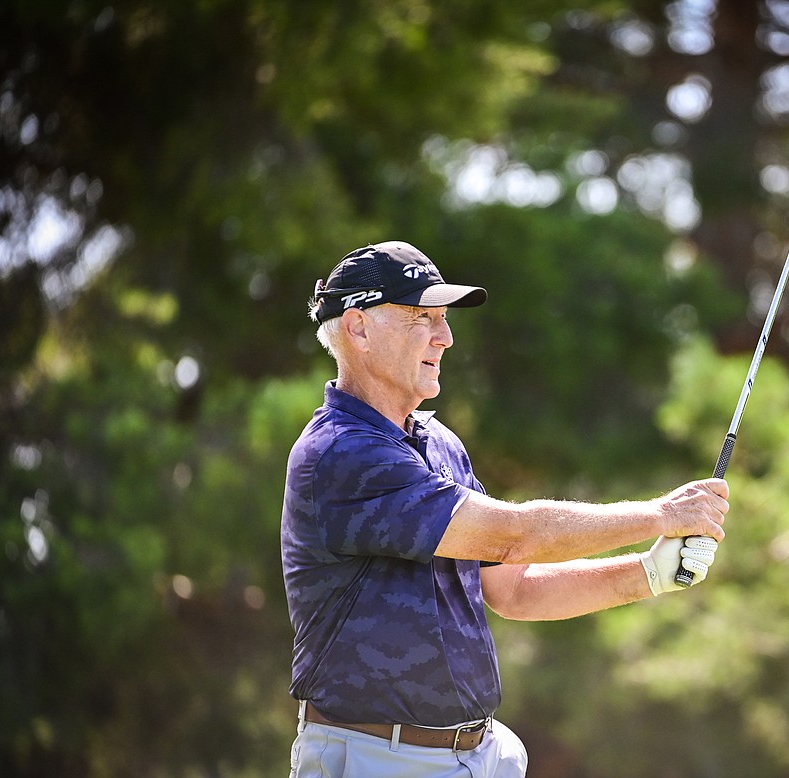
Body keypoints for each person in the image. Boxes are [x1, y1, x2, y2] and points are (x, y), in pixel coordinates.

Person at [281, 241, 730, 777]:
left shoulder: (438, 443)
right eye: (421, 318)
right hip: (378, 760)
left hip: (477, 756)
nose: (444, 337)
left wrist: (648, 574)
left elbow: (513, 588)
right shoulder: (342, 452)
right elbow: (512, 536)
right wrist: (661, 514)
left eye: (443, 319)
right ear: (357, 328)